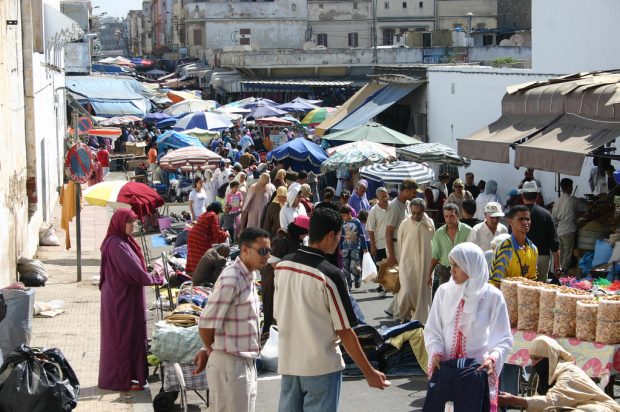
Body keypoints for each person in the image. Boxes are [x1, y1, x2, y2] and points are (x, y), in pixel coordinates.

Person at [274, 208, 390, 411]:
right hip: (321, 366)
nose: (339, 241)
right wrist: (369, 372)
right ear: (331, 236)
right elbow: (345, 331)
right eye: (339, 236)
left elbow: (278, 314)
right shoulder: (330, 275)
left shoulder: (284, 266)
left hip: (289, 363)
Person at [425, 242, 513, 412]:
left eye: (457, 265)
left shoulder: (493, 296)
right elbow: (433, 329)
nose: (452, 270)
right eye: (451, 265)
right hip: (446, 371)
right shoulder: (444, 292)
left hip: (476, 374)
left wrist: (492, 359)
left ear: (471, 265)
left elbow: (503, 338)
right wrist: (436, 352)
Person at [193, 228, 271, 412]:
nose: (267, 256)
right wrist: (212, 349)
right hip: (231, 364)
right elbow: (206, 323)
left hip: (244, 362)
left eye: (268, 250)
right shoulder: (232, 278)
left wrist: (208, 348)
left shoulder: (248, 275)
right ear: (245, 249)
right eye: (262, 251)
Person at [98, 209, 163, 391]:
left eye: (134, 222)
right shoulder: (116, 244)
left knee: (132, 335)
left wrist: (148, 274)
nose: (133, 226)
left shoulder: (124, 241)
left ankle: (131, 376)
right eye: (129, 222)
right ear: (120, 223)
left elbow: (136, 267)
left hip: (127, 296)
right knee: (122, 338)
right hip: (121, 299)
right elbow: (132, 271)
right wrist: (153, 279)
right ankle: (121, 380)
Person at [498, 336, 620, 412]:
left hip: (601, 408)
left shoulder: (568, 373)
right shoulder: (546, 378)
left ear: (550, 358)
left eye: (536, 359)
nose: (533, 364)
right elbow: (541, 404)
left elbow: (554, 401)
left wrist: (514, 400)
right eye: (531, 358)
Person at [261, 216, 309, 337]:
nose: (305, 236)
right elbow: (273, 262)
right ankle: (268, 336)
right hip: (273, 279)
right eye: (304, 233)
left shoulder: (295, 240)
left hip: (284, 280)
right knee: (272, 309)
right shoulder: (281, 240)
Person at [395, 198, 434, 323]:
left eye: (419, 213)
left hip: (425, 263)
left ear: (424, 211)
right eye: (414, 213)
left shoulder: (429, 224)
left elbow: (433, 243)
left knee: (422, 292)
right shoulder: (404, 224)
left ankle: (419, 318)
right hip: (407, 263)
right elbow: (400, 243)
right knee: (406, 290)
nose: (416, 216)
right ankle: (404, 315)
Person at [521, 181, 560, 281]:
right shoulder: (546, 214)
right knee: (540, 288)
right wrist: (557, 266)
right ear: (537, 196)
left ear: (522, 196)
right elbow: (554, 243)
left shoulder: (517, 214)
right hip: (543, 257)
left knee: (523, 288)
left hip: (521, 256)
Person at [489, 205, 538, 286]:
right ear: (510, 222)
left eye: (527, 219)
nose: (525, 222)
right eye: (521, 219)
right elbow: (495, 283)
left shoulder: (533, 249)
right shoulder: (504, 249)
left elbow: (532, 282)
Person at [427, 203, 472, 291]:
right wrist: (429, 275)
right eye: (446, 216)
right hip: (445, 272)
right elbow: (435, 257)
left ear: (458, 216)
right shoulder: (439, 233)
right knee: (445, 299)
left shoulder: (468, 231)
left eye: (452, 216)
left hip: (464, 270)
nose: (448, 219)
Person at [552, 178, 587, 271]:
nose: (571, 189)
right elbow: (585, 208)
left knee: (561, 254)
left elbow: (554, 218)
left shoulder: (557, 201)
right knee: (567, 255)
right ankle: (563, 274)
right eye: (571, 187)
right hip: (569, 230)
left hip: (559, 231)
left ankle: (558, 272)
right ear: (567, 188)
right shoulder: (572, 200)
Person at [186, 202, 229, 277]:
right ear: (217, 210)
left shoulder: (205, 214)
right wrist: (225, 234)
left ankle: (193, 274)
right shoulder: (213, 216)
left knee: (194, 256)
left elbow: (209, 230)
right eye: (219, 212)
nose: (219, 214)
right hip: (200, 238)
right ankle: (199, 275)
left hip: (192, 236)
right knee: (204, 257)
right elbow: (216, 233)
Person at [385, 179, 419, 267]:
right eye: (413, 192)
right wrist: (391, 256)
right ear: (406, 191)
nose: (415, 195)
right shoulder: (394, 206)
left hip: (406, 246)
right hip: (396, 248)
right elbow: (388, 232)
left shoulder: (408, 204)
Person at [340, 205, 367, 289]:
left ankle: (357, 276)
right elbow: (341, 237)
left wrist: (365, 247)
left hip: (355, 248)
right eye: (341, 216)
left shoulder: (357, 222)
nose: (343, 218)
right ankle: (348, 285)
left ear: (349, 214)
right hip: (345, 247)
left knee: (353, 266)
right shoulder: (342, 224)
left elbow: (362, 235)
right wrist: (340, 248)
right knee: (345, 267)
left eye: (344, 216)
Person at [366, 187, 390, 263]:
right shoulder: (373, 211)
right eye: (382, 197)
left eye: (386, 196)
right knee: (381, 270)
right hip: (380, 246)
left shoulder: (393, 207)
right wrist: (373, 246)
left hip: (393, 245)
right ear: (378, 198)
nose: (385, 198)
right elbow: (370, 230)